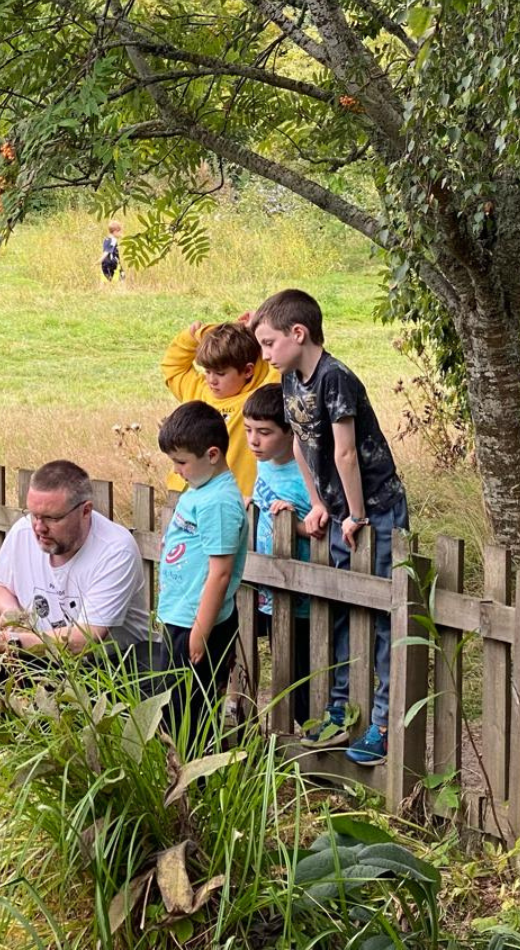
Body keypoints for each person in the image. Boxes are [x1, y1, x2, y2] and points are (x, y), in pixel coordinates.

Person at [251, 289, 409, 765]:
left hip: (374, 509)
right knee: (340, 608)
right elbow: (301, 446)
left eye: (269, 342)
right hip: (341, 512)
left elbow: (345, 451)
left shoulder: (335, 378)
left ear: (298, 334)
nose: (265, 354)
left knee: (382, 617)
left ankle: (381, 722)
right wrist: (320, 503)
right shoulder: (291, 379)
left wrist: (356, 514)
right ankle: (341, 708)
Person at [0, 459, 153, 674]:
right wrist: (11, 611)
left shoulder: (115, 550)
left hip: (115, 662)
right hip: (44, 652)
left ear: (85, 511)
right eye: (34, 515)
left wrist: (8, 640)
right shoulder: (23, 532)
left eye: (52, 518)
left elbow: (84, 639)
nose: (39, 528)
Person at [155, 401, 249, 742]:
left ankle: (194, 783)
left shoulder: (220, 503)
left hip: (198, 623)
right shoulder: (200, 490)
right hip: (180, 615)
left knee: (190, 711)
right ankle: (179, 775)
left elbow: (221, 573)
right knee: (174, 706)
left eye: (181, 462)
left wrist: (199, 631)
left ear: (212, 454)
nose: (177, 470)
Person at [243, 383, 313, 727]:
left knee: (303, 674)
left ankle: (316, 735)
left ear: (291, 433)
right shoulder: (265, 465)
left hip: (302, 595)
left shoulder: (307, 474)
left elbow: (319, 530)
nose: (253, 441)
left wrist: (294, 523)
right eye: (249, 431)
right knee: (277, 661)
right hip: (266, 587)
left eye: (265, 432)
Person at [161, 318, 278, 497]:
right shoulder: (197, 389)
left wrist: (256, 333)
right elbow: (173, 366)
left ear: (248, 371)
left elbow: (279, 365)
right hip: (185, 496)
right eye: (207, 371)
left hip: (233, 501)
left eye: (221, 373)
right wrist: (202, 334)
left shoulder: (260, 399)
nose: (212, 380)